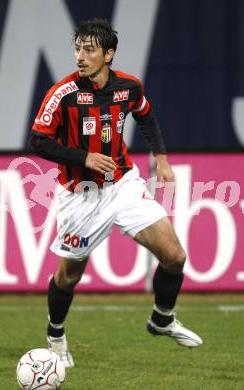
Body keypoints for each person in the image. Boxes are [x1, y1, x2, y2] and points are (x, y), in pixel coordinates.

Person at [30, 18, 202, 368]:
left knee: (174, 256)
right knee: (69, 275)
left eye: (89, 49)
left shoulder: (128, 87)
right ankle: (56, 334)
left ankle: (162, 318)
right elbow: (38, 141)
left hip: (123, 185)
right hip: (81, 196)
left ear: (108, 54)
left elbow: (146, 115)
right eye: (77, 48)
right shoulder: (63, 93)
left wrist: (162, 159)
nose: (80, 56)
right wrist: (85, 157)